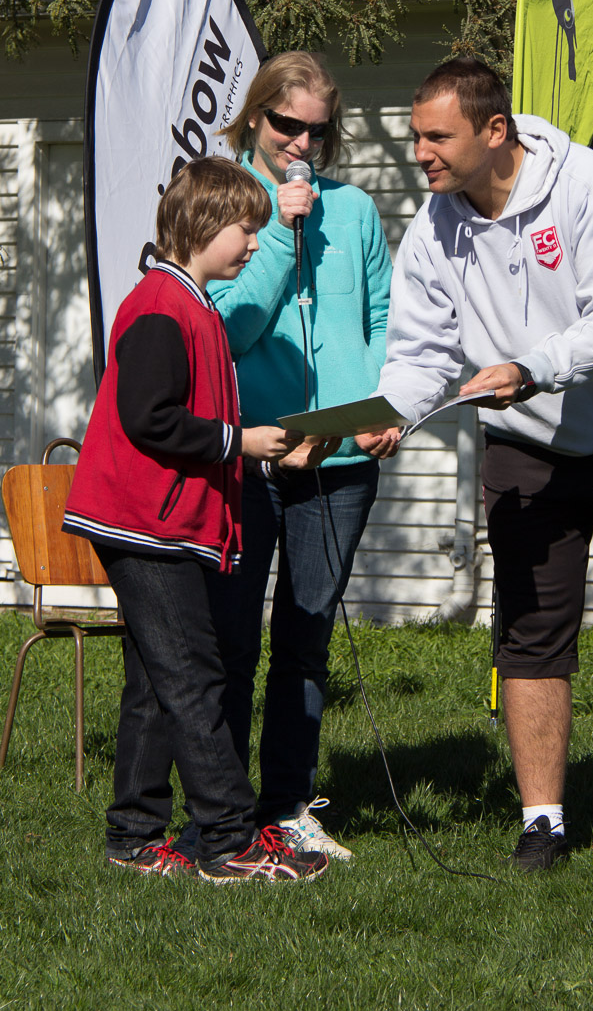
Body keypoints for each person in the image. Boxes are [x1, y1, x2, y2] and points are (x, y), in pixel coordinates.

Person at [363, 57, 593, 871]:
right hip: (526, 442)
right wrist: (395, 411)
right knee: (529, 629)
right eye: (415, 136)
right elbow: (421, 353)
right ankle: (543, 822)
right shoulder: (432, 229)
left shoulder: (585, 185)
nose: (419, 153)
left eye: (437, 137)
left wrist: (530, 368)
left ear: (495, 131)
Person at [62, 156, 334, 883]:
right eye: (246, 229)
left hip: (162, 522)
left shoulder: (196, 304)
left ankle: (133, 838)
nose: (255, 243)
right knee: (194, 676)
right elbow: (148, 418)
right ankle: (227, 840)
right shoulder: (161, 304)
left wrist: (266, 457)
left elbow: (192, 424)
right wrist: (239, 442)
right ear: (205, 224)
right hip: (144, 524)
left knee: (160, 679)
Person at [204, 51, 393, 860]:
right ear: (256, 115)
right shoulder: (222, 205)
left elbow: (385, 319)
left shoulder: (354, 210)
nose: (301, 143)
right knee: (232, 641)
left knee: (306, 640)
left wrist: (384, 409)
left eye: (317, 130)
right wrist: (280, 233)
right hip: (247, 456)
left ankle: (286, 805)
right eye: (287, 125)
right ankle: (221, 812)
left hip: (340, 464)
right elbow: (228, 329)